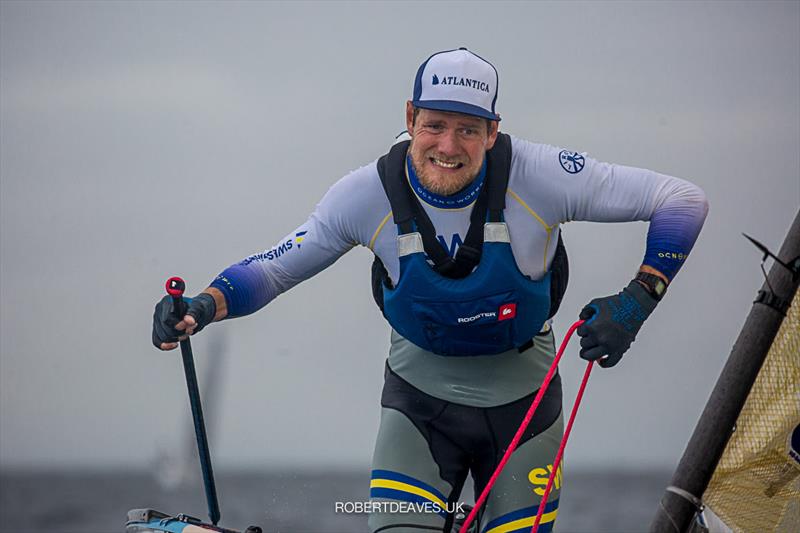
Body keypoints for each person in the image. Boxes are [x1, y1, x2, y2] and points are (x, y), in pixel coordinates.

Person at [152, 48, 708, 532]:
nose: (449, 145)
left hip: (525, 408)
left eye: (469, 129)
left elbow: (682, 200)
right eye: (436, 124)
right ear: (411, 117)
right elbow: (272, 269)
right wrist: (201, 306)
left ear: (493, 132)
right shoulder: (363, 195)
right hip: (418, 407)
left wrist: (638, 300)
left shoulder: (543, 176)